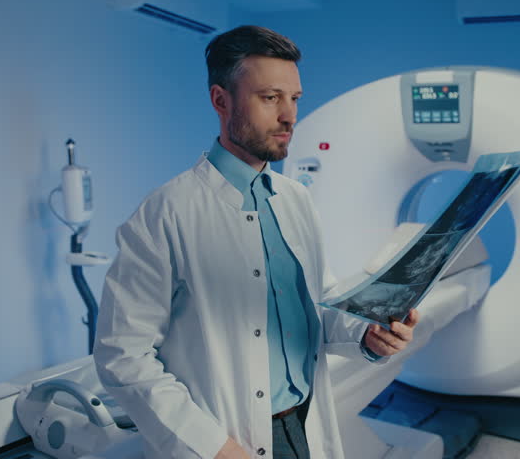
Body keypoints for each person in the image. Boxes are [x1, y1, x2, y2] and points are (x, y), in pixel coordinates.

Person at [94, 25, 420, 459]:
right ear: (221, 100)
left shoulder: (296, 199)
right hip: (224, 442)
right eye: (270, 98)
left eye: (295, 98)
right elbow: (122, 355)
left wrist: (368, 335)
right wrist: (215, 448)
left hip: (305, 426)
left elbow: (318, 307)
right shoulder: (165, 214)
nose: (289, 116)